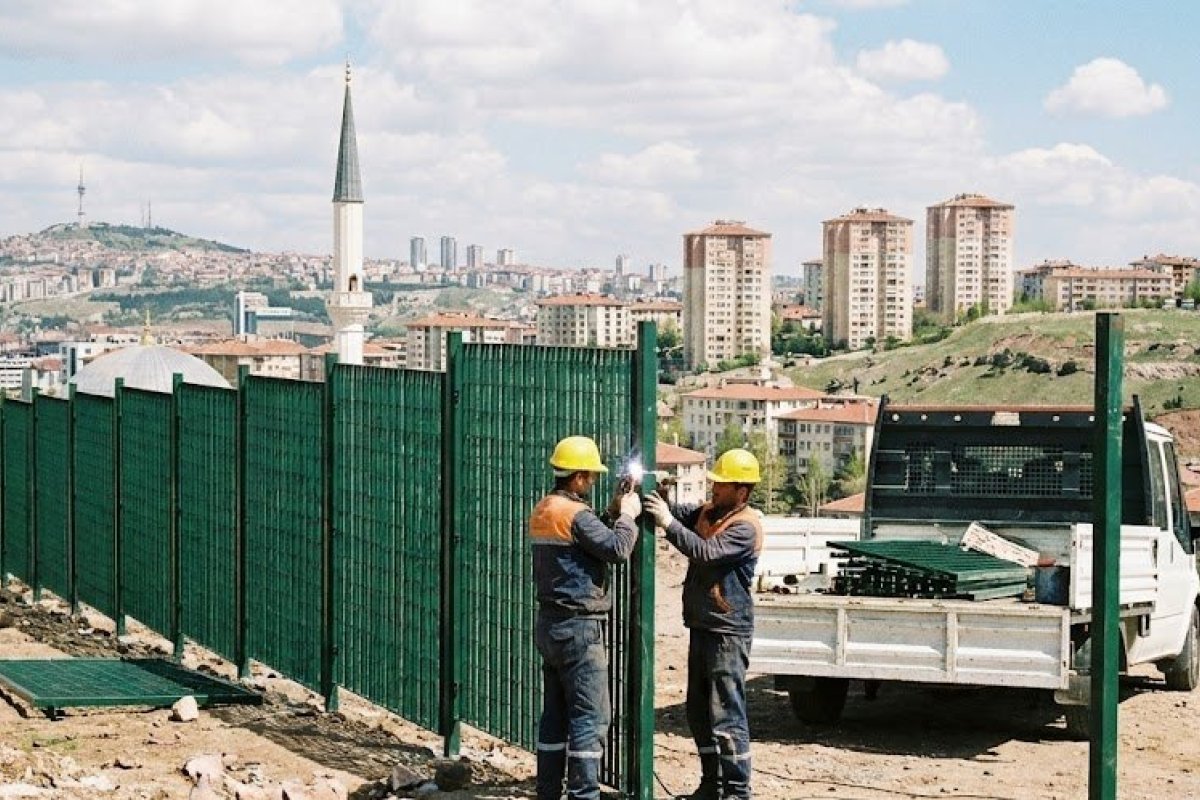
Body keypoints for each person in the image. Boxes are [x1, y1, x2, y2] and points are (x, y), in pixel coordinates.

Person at [644, 448, 763, 800]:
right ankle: (711, 785)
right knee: (699, 711)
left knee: (727, 714)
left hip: (728, 631)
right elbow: (682, 516)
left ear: (741, 492)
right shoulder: (711, 512)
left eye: (721, 485)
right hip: (704, 625)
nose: (714, 489)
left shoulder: (745, 526)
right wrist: (661, 500)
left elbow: (705, 551)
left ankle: (738, 792)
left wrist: (667, 521)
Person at [531, 435, 642, 800]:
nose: (592, 482)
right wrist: (627, 515)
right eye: (590, 477)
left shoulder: (545, 508)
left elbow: (584, 543)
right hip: (579, 627)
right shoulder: (575, 515)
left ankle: (548, 791)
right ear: (578, 477)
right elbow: (617, 548)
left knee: (555, 714)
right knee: (590, 716)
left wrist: (610, 513)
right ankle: (584, 794)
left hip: (549, 624)